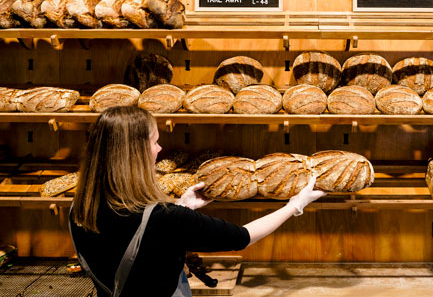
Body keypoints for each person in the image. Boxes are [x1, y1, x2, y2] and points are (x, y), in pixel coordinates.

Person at [69, 105, 325, 297]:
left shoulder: (80, 209)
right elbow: (243, 237)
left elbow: (142, 243)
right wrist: (295, 205)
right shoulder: (165, 219)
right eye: (155, 141)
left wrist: (183, 205)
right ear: (134, 153)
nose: (159, 149)